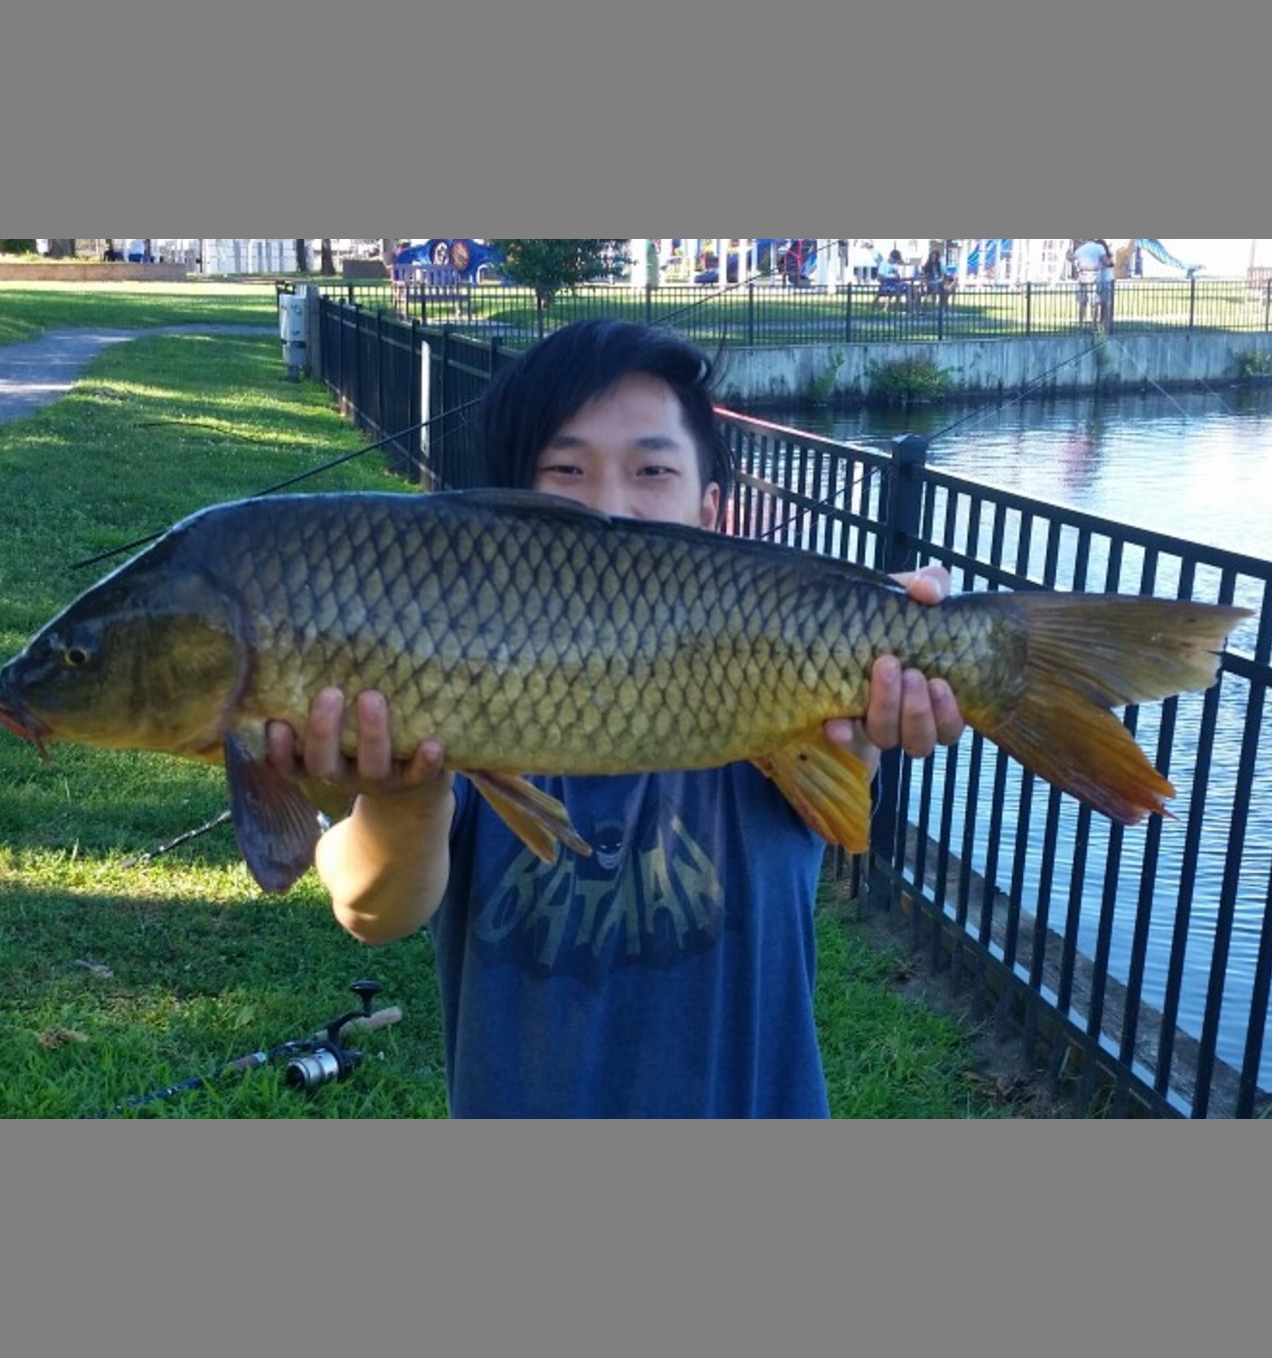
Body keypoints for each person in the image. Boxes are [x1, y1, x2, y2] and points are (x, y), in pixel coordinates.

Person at [265, 319, 966, 1118]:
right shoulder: (447, 680)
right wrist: (403, 799)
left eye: (652, 469)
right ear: (503, 516)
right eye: (566, 470)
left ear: (710, 510)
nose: (607, 506)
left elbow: (844, 769)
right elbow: (372, 909)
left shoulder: (774, 665)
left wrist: (899, 652)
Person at [1068, 238, 1111, 329]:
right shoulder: (1099, 248)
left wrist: (1069, 255)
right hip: (1094, 275)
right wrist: (1108, 262)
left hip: (1082, 275)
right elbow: (1106, 262)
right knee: (1094, 303)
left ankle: (1081, 324)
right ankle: (1093, 324)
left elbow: (1071, 258)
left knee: (1082, 302)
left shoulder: (1080, 249)